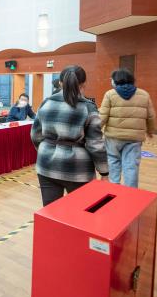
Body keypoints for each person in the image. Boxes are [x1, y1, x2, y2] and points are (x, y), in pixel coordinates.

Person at [31, 65, 109, 207]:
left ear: (60, 83)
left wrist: (46, 150)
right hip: (78, 169)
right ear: (84, 84)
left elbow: (35, 135)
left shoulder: (46, 103)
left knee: (50, 212)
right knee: (80, 212)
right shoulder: (88, 107)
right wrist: (104, 172)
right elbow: (95, 145)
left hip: (46, 165)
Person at [99, 68, 156, 188]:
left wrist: (95, 130)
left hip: (113, 137)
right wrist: (150, 131)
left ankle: (113, 189)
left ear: (115, 80)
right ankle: (131, 193)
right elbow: (151, 116)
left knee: (113, 162)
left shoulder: (110, 94)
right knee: (131, 166)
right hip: (134, 139)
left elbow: (102, 116)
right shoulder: (144, 94)